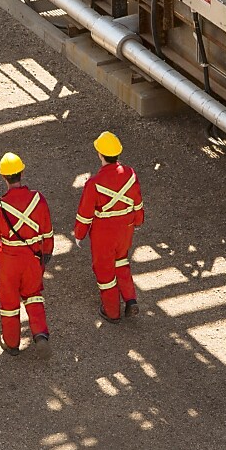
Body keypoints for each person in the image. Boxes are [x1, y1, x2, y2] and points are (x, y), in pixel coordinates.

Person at [0, 152, 54, 356]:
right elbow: (47, 230)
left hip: (9, 261)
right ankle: (40, 334)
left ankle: (12, 343)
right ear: (22, 173)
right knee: (33, 295)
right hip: (33, 258)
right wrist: (47, 250)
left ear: (3, 177)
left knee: (9, 302)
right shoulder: (38, 199)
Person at [73, 131, 143, 323]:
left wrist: (79, 234)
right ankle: (130, 299)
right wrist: (137, 221)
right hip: (125, 229)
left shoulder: (94, 183)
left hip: (104, 233)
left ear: (100, 154)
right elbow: (137, 203)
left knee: (104, 271)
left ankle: (112, 311)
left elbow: (85, 213)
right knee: (121, 261)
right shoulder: (130, 174)